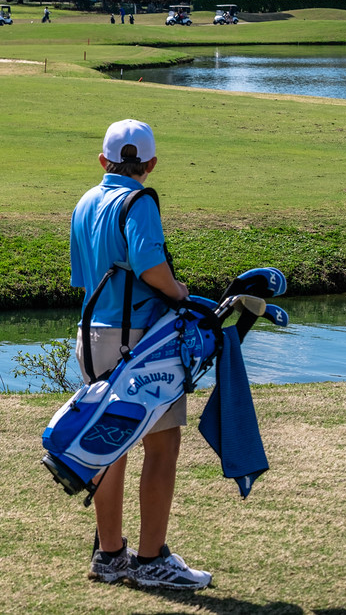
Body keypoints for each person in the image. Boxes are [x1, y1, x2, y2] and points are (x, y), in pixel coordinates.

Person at [70, 119, 212, 591]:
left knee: (107, 446)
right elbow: (151, 267)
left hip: (91, 336)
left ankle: (110, 556)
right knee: (162, 445)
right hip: (141, 342)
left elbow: (84, 276)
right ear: (149, 165)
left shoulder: (86, 201)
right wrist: (181, 293)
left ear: (102, 160)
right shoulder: (141, 200)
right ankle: (151, 560)